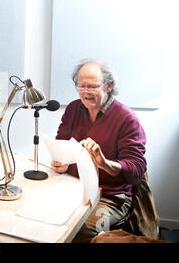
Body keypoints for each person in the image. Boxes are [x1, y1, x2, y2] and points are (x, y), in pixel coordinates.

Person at [52, 59, 147, 242]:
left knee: (77, 231)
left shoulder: (127, 119)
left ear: (108, 86)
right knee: (45, 218)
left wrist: (104, 163)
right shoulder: (73, 109)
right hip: (72, 188)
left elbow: (136, 171)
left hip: (110, 197)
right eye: (81, 86)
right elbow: (62, 142)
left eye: (92, 87)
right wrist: (60, 160)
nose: (85, 92)